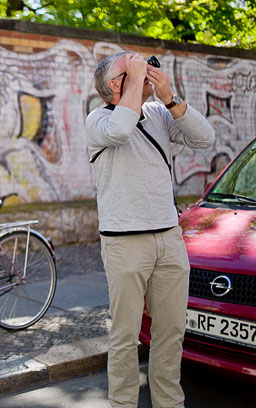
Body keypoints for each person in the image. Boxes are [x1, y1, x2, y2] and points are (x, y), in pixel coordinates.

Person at [85, 52, 215, 408]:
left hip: (169, 238)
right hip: (125, 243)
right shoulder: (97, 120)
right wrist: (136, 81)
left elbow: (205, 139)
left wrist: (170, 98)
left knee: (171, 333)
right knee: (125, 336)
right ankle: (123, 404)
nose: (145, 68)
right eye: (134, 68)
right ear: (115, 85)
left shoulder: (158, 113)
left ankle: (169, 403)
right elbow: (120, 129)